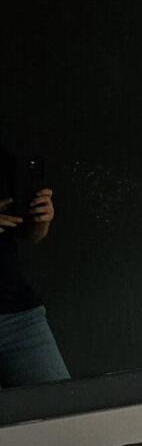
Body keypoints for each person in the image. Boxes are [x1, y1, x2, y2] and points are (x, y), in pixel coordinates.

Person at [0, 146, 68, 386]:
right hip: (20, 318)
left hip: (20, 315)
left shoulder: (3, 159)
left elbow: (30, 234)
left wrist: (42, 219)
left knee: (58, 412)